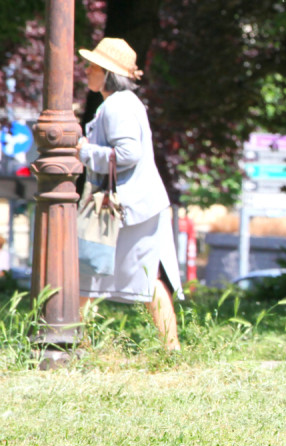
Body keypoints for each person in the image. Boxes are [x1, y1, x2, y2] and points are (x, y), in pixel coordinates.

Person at [75, 37, 182, 350]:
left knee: (91, 273)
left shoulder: (117, 105)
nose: (87, 71)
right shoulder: (121, 104)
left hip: (125, 206)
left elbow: (127, 153)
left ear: (108, 72)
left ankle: (70, 344)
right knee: (100, 274)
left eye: (92, 66)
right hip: (127, 205)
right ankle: (169, 349)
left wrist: (83, 151)